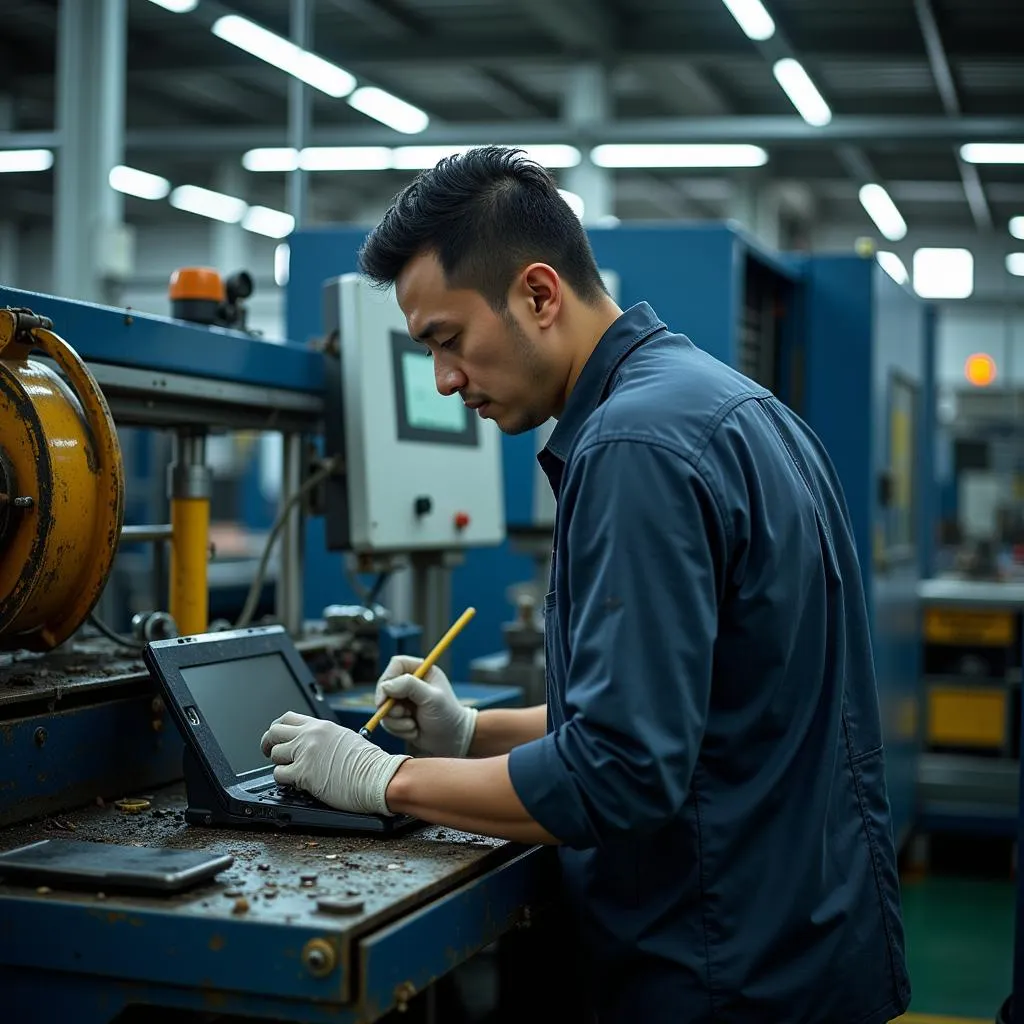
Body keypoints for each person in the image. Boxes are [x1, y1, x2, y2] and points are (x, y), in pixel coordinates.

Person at [261, 146, 910, 1023]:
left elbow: (619, 772)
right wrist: (471, 731)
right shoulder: (740, 407)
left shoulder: (632, 447)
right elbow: (703, 708)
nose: (447, 380)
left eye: (448, 342)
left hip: (716, 971)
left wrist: (386, 779)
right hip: (807, 944)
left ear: (538, 293)